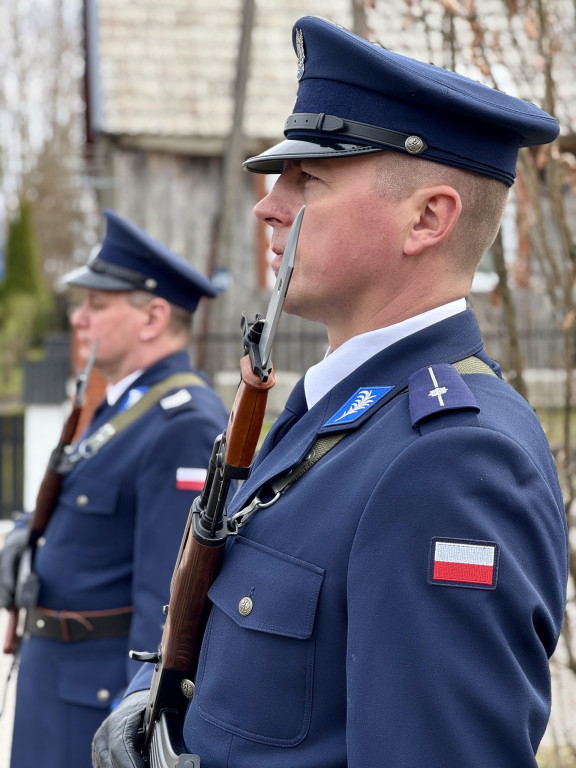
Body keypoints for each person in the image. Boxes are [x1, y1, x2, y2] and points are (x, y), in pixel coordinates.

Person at [92, 17, 568, 768]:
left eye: (308, 178)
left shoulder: (453, 462)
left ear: (428, 218)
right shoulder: (334, 413)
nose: (268, 204)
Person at [0, 209, 230, 768]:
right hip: (53, 685)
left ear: (152, 316)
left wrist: (139, 725)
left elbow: (167, 602)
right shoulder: (121, 403)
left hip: (95, 703)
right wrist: (22, 540)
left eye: (96, 305)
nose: (79, 318)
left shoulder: (182, 422)